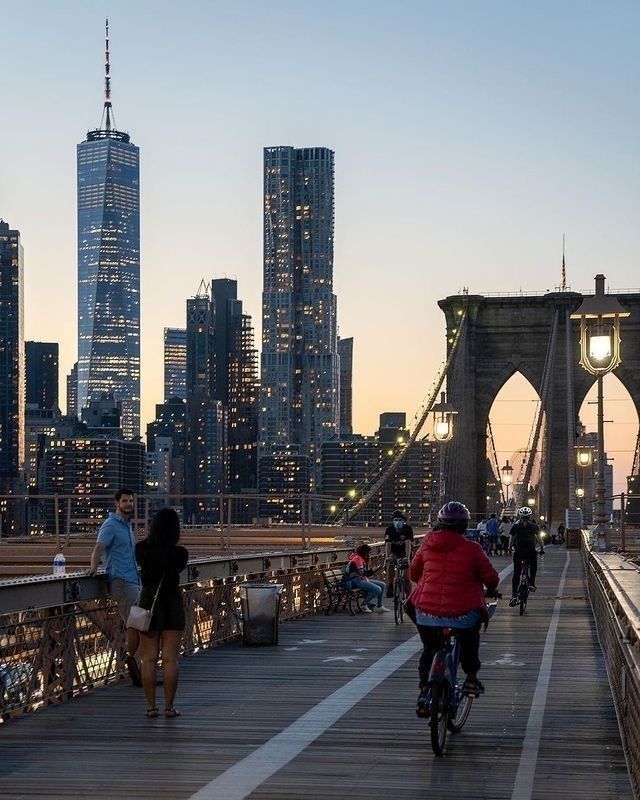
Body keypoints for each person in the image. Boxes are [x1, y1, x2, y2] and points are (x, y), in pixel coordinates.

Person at [409, 501, 499, 716]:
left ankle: (424, 692)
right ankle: (470, 678)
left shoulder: (427, 544)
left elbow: (413, 574)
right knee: (470, 637)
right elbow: (491, 578)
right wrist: (491, 589)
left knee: (430, 649)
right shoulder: (473, 548)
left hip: (426, 614)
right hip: (462, 614)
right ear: (464, 525)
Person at [135, 507, 189, 718]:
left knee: (148, 659)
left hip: (148, 602)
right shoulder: (180, 553)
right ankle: (169, 707)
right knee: (170, 660)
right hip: (172, 603)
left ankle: (151, 707)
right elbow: (177, 569)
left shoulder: (141, 549)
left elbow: (143, 569)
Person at [89, 488, 142, 686]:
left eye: (131, 500)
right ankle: (136, 668)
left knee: (139, 625)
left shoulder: (128, 526)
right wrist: (94, 567)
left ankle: (137, 667)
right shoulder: (111, 525)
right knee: (139, 625)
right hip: (121, 582)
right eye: (125, 501)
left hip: (133, 581)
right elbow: (98, 549)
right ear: (117, 503)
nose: (129, 504)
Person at [508, 507, 545, 606]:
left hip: (519, 552)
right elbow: (540, 540)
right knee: (533, 566)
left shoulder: (516, 526)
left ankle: (514, 596)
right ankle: (532, 584)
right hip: (530, 552)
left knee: (516, 574)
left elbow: (512, 539)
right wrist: (542, 549)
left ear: (520, 516)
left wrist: (510, 547)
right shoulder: (534, 526)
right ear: (529, 516)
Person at [344, 544, 390, 613]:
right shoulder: (358, 559)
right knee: (377, 589)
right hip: (353, 581)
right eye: (369, 553)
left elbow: (364, 574)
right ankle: (364, 604)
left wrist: (374, 570)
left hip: (360, 579)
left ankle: (379, 606)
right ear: (365, 553)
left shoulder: (361, 559)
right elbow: (363, 573)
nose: (369, 555)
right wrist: (373, 570)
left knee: (382, 585)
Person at [384, 510, 414, 597]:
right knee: (391, 563)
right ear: (393, 520)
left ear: (403, 521)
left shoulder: (408, 529)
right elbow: (388, 544)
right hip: (394, 552)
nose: (398, 522)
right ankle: (390, 585)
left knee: (406, 577)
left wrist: (407, 557)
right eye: (396, 520)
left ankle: (408, 597)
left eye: (400, 520)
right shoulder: (389, 530)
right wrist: (387, 557)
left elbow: (408, 544)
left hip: (404, 552)